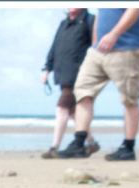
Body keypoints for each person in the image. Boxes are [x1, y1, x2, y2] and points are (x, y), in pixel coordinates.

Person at [58, 8, 139, 160]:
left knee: (130, 98)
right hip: (97, 51)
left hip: (127, 48)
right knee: (82, 92)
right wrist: (95, 43)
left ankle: (128, 147)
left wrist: (114, 34)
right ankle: (79, 143)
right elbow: (101, 14)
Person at [40, 8, 100, 159]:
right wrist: (47, 68)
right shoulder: (63, 24)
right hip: (63, 73)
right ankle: (91, 142)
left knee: (62, 108)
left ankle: (54, 147)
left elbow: (96, 45)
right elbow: (54, 47)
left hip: (80, 73)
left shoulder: (90, 20)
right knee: (74, 112)